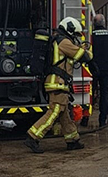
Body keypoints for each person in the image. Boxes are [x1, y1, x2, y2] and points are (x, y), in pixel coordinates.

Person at [25, 17, 94, 153]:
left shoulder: (60, 40)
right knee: (54, 112)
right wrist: (88, 49)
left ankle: (72, 140)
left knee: (65, 114)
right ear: (69, 30)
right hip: (57, 83)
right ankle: (33, 136)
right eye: (75, 35)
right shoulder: (64, 42)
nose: (76, 38)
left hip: (58, 83)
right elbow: (84, 56)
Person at [91, 13, 108, 128]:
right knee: (105, 93)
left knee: (91, 92)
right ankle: (103, 119)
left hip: (93, 68)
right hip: (107, 68)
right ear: (104, 22)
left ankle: (86, 117)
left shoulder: (91, 36)